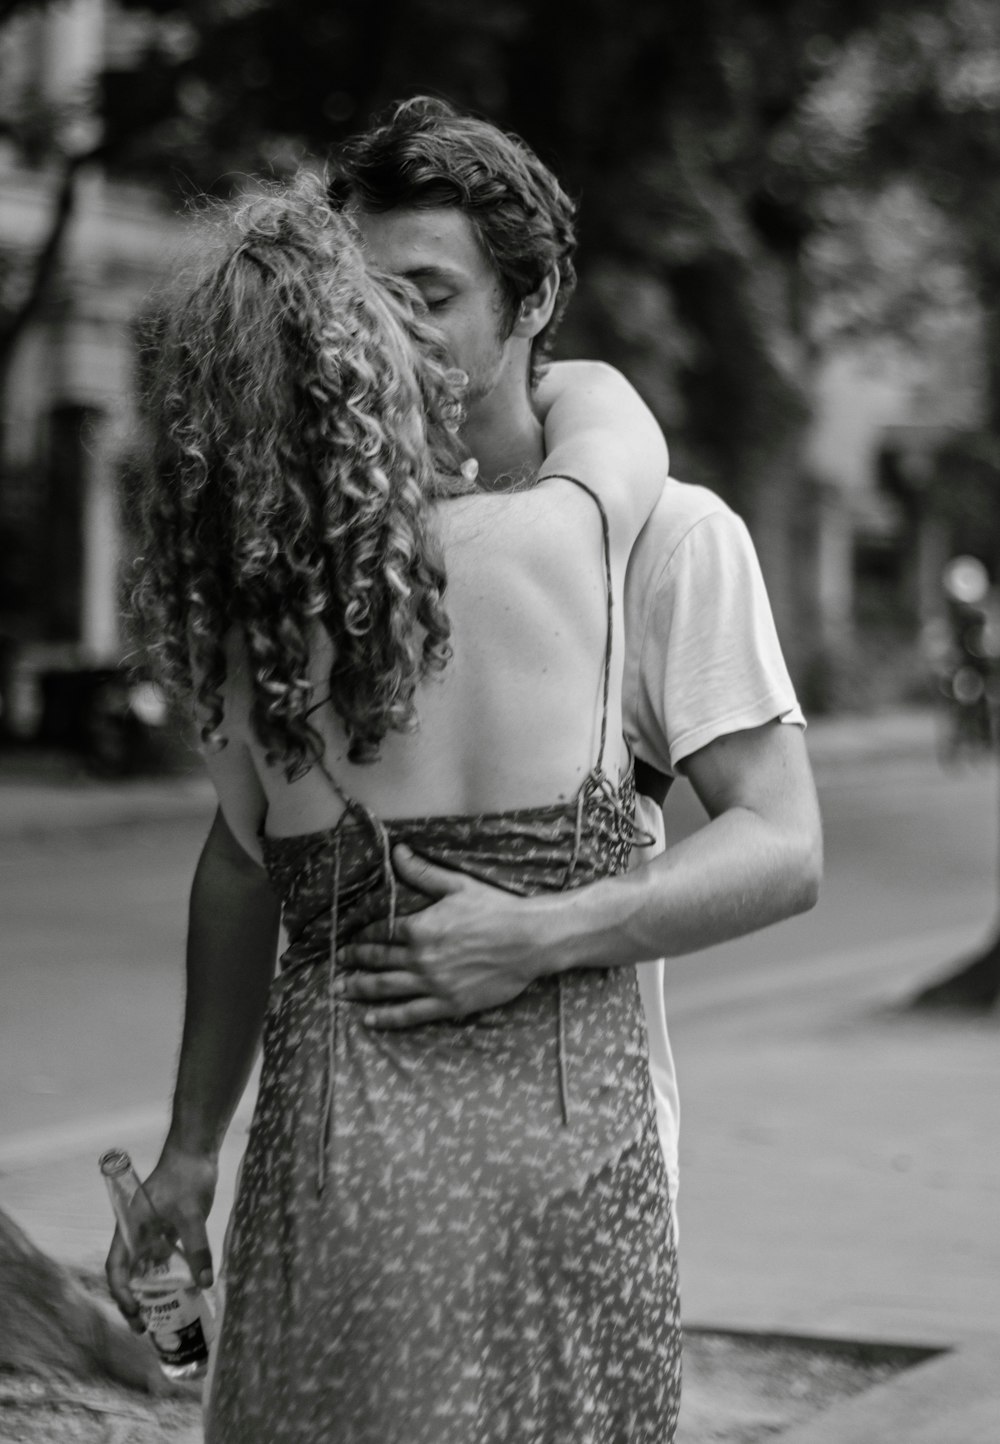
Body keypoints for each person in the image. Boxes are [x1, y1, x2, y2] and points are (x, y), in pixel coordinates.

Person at [108, 175, 685, 1442]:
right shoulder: (556, 542)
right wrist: (546, 363)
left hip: (339, 1174)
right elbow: (609, 416)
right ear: (373, 366)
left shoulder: (241, 658)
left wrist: (191, 1150)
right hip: (568, 1158)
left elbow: (240, 867)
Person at [326, 97, 822, 1215]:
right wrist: (193, 1145)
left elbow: (784, 846)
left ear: (534, 296)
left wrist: (537, 935)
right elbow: (247, 855)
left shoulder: (674, 541)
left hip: (572, 1177)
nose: (387, 333)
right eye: (362, 299)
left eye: (430, 295)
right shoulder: (328, 540)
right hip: (342, 1164)